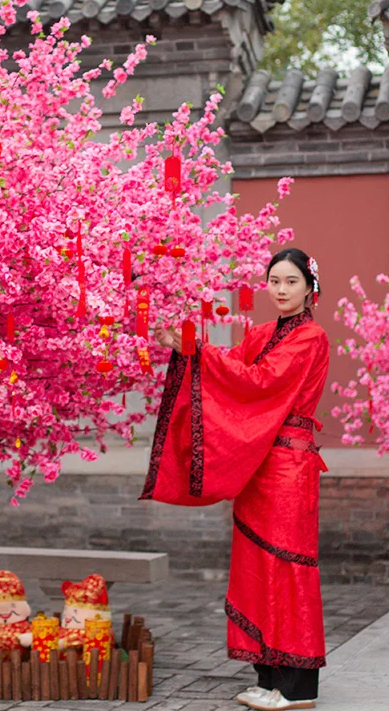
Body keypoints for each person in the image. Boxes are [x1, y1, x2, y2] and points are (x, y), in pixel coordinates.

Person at [141, 248, 329, 711]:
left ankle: (297, 685)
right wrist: (183, 345)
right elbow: (231, 368)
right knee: (254, 565)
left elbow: (261, 381)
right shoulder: (262, 332)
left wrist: (198, 351)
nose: (281, 290)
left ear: (310, 287)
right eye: (274, 281)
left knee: (285, 565)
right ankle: (268, 676)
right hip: (258, 464)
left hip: (288, 466)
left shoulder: (312, 337)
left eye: (290, 281)